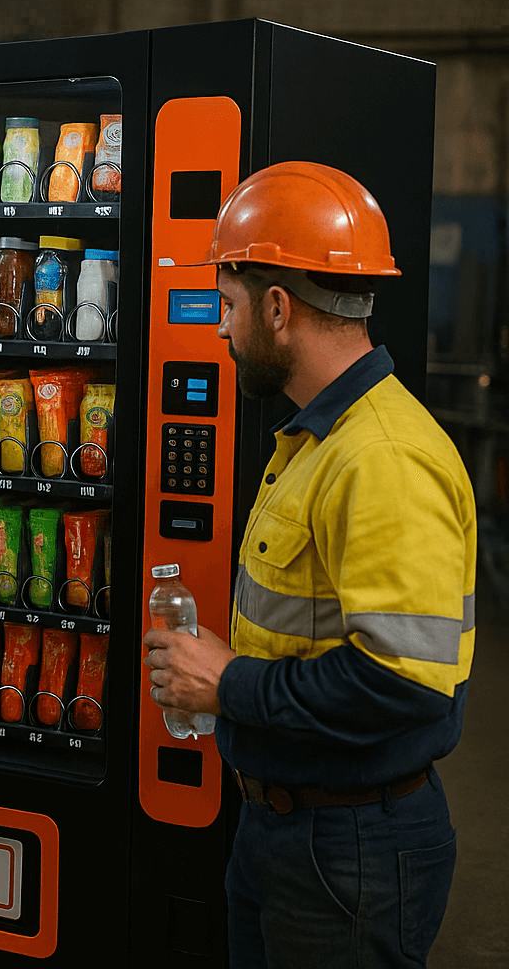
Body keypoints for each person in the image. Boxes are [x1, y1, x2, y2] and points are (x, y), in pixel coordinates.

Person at [143, 161, 472, 968]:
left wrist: (227, 685)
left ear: (279, 309)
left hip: (350, 850)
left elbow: (402, 682)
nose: (218, 329)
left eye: (227, 304)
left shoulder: (382, 457)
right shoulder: (316, 440)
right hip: (286, 829)